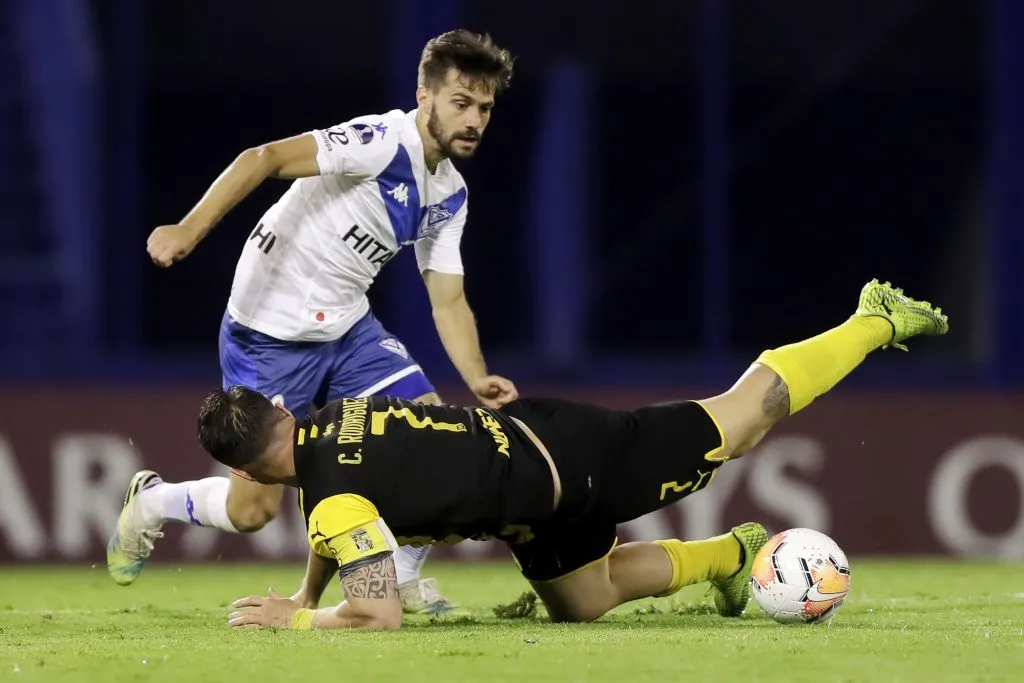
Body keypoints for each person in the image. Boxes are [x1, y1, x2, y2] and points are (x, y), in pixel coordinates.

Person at [193, 279, 946, 630]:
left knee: (739, 422)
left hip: (570, 458)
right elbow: (338, 515)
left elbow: (378, 611)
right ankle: (731, 553)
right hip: (529, 496)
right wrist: (303, 593)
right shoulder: (329, 418)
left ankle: (872, 320)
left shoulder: (332, 496)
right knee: (582, 602)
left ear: (248, 470)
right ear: (284, 411)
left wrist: (295, 621)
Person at [106, 29, 519, 614]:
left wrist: (476, 377)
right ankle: (152, 503)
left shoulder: (450, 194)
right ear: (423, 96)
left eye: (484, 107)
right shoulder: (379, 141)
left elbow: (448, 300)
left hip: (348, 332)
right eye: (461, 102)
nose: (474, 118)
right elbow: (265, 158)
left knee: (436, 440)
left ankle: (397, 579)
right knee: (253, 514)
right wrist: (188, 229)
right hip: (267, 337)